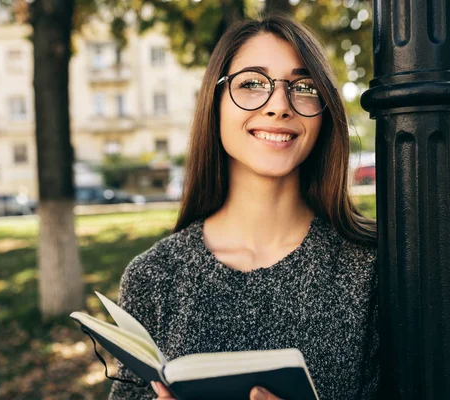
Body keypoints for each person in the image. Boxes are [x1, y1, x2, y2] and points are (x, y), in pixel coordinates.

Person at [108, 13, 378, 400]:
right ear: (214, 103)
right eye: (252, 83)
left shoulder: (372, 267)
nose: (279, 106)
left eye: (303, 86)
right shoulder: (153, 278)